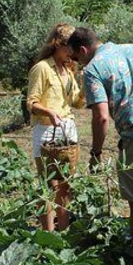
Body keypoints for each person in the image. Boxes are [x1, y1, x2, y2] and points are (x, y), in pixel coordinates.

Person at [68, 27, 133, 265]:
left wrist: (96, 152)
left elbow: (101, 117)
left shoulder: (93, 69)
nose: (77, 63)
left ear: (83, 50)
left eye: (76, 58)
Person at [26, 23, 85, 231]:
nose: (73, 52)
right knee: (48, 185)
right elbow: (31, 103)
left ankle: (64, 231)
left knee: (65, 185)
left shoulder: (68, 71)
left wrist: (85, 87)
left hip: (67, 130)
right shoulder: (42, 68)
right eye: (70, 46)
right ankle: (48, 234)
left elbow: (77, 102)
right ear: (58, 44)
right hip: (46, 132)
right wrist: (49, 112)